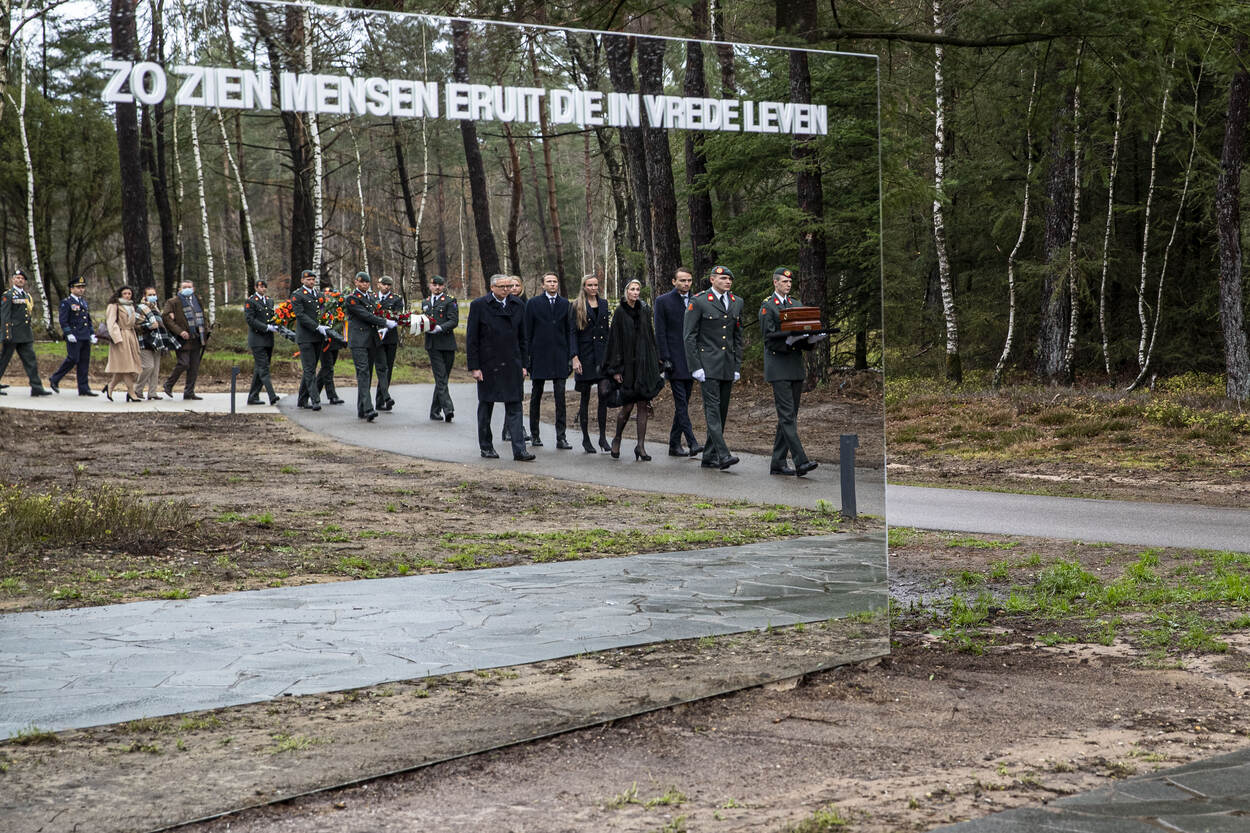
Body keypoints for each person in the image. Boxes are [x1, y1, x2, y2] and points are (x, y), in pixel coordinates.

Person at [760, 267, 824, 476]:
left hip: (795, 367)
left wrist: (810, 340)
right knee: (787, 416)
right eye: (784, 282)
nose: (788, 284)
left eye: (789, 282)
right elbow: (768, 338)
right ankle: (800, 461)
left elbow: (803, 330)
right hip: (778, 367)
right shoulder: (768, 306)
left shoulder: (796, 304)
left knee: (789, 417)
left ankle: (778, 462)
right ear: (775, 283)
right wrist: (789, 340)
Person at [466, 273, 533, 461]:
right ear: (492, 287)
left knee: (515, 406)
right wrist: (474, 367)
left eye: (509, 286)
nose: (507, 290)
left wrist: (524, 364)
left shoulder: (517, 305)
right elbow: (472, 339)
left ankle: (519, 450)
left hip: (512, 363)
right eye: (502, 287)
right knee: (486, 406)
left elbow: (523, 338)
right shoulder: (479, 305)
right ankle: (486, 446)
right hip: (488, 364)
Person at [683, 265, 744, 470]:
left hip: (727, 365)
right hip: (707, 365)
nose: (728, 282)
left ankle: (709, 456)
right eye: (723, 278)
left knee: (722, 411)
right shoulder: (699, 301)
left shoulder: (736, 302)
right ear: (712, 280)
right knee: (712, 411)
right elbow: (689, 336)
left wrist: (737, 365)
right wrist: (695, 366)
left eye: (730, 279)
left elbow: (737, 337)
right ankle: (723, 454)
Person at [604, 279, 665, 461]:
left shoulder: (645, 309)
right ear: (627, 291)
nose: (636, 292)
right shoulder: (620, 312)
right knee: (628, 406)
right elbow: (614, 340)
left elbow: (650, 335)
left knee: (643, 405)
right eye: (632, 289)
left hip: (644, 364)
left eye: (638, 289)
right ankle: (617, 438)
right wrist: (616, 369)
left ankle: (641, 446)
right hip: (628, 366)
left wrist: (656, 360)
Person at [654, 266, 701, 457]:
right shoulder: (663, 301)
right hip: (673, 359)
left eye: (689, 280)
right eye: (682, 280)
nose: (686, 284)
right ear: (674, 281)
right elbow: (660, 331)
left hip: (691, 359)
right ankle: (692, 442)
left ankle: (674, 444)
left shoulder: (696, 300)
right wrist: (664, 358)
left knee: (684, 402)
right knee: (681, 402)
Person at [524, 271, 573, 449]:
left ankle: (561, 437)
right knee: (536, 395)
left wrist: (571, 356)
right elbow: (527, 332)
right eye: (549, 281)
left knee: (560, 398)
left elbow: (570, 331)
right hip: (539, 355)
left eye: (555, 281)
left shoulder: (565, 304)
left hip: (560, 356)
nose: (552, 284)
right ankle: (535, 434)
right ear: (543, 285)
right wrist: (527, 357)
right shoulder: (533, 303)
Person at [344, 271, 395, 422]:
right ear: (356, 282)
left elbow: (377, 313)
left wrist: (390, 321)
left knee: (376, 370)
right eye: (362, 282)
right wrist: (385, 322)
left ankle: (362, 409)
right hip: (359, 341)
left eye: (367, 282)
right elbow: (365, 315)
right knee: (363, 373)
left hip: (372, 340)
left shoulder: (371, 297)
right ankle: (368, 408)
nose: (365, 284)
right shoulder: (352, 298)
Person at [570, 274, 611, 453]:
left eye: (595, 285)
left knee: (604, 394)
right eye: (590, 285)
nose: (594, 288)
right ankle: (586, 438)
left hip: (602, 356)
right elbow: (572, 333)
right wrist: (574, 357)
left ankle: (602, 437)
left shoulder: (604, 304)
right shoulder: (576, 305)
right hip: (584, 356)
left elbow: (606, 331)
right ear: (584, 287)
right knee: (585, 398)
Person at [0, 268, 52, 396]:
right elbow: (5, 316)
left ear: (25, 281)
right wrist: (6, 333)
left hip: (25, 335)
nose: (20, 280)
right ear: (13, 280)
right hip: (12, 334)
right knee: (3, 361)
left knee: (31, 361)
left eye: (22, 279)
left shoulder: (27, 296)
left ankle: (36, 387)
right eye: (17, 278)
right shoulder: (8, 295)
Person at [162, 279, 211, 400]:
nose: (187, 289)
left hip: (197, 337)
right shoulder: (172, 302)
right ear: (180, 289)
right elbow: (167, 319)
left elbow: (202, 316)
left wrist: (206, 328)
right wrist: (180, 331)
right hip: (182, 338)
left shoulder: (197, 300)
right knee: (183, 363)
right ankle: (168, 384)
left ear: (193, 289)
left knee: (194, 366)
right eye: (184, 287)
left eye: (189, 287)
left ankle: (189, 392)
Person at [49, 276, 98, 396]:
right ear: (71, 289)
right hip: (74, 336)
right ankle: (55, 378)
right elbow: (63, 320)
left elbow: (88, 320)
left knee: (84, 362)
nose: (81, 289)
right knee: (73, 359)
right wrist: (68, 333)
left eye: (83, 287)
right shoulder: (67, 302)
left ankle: (84, 388)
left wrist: (92, 333)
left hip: (85, 335)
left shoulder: (83, 302)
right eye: (78, 287)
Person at [422, 274, 458, 422]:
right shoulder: (425, 302)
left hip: (447, 343)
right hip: (433, 345)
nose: (437, 287)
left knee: (443, 378)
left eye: (440, 285)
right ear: (430, 286)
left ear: (443, 286)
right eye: (434, 285)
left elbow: (453, 321)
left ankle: (434, 411)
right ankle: (448, 409)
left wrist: (440, 328)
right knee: (441, 377)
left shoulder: (450, 301)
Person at [502, 275, 531, 443]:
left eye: (516, 285)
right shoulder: (504, 304)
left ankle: (513, 427)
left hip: (522, 352)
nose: (513, 288)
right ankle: (512, 428)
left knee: (518, 393)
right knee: (511, 392)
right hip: (507, 354)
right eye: (510, 285)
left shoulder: (526, 305)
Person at [291, 269, 324, 411]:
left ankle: (302, 399)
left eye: (313, 279)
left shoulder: (318, 294)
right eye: (308, 279)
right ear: (302, 281)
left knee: (310, 368)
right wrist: (316, 326)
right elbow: (300, 315)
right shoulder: (297, 295)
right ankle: (315, 399)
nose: (311, 282)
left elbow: (323, 311)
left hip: (318, 336)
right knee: (309, 369)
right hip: (305, 337)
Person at [244, 279, 281, 406]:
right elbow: (250, 319)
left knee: (260, 368)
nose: (263, 289)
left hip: (268, 339)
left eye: (264, 287)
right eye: (260, 287)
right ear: (255, 288)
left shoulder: (269, 301)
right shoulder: (251, 301)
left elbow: (271, 317)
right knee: (263, 368)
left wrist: (277, 324)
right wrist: (266, 327)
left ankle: (253, 396)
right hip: (257, 339)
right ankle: (272, 395)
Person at [103, 285, 142, 402]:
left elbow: (135, 321)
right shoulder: (114, 305)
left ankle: (110, 386)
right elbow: (111, 322)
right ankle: (131, 392)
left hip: (131, 336)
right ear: (120, 294)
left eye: (129, 293)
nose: (127, 296)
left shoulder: (131, 306)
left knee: (124, 366)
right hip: (120, 337)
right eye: (125, 293)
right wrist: (117, 338)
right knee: (126, 367)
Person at [135, 285, 170, 400]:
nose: (153, 296)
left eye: (154, 294)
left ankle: (152, 393)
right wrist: (149, 326)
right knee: (148, 366)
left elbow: (160, 325)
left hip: (157, 341)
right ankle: (137, 390)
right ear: (144, 296)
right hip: (145, 341)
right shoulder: (140, 308)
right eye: (150, 295)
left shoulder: (156, 308)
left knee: (155, 369)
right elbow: (136, 325)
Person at [315, 279, 345, 406]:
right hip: (324, 341)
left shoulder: (337, 308)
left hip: (335, 342)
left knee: (327, 368)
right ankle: (332, 396)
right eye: (326, 294)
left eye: (330, 294)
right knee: (328, 368)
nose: (328, 296)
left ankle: (313, 392)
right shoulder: (320, 308)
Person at [375, 275, 403, 412]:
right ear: (378, 284)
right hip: (376, 337)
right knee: (381, 367)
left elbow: (398, 316)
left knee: (388, 368)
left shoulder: (396, 299)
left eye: (389, 285)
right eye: (384, 284)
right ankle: (383, 398)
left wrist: (387, 327)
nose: (386, 287)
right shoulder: (373, 298)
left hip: (390, 337)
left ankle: (381, 400)